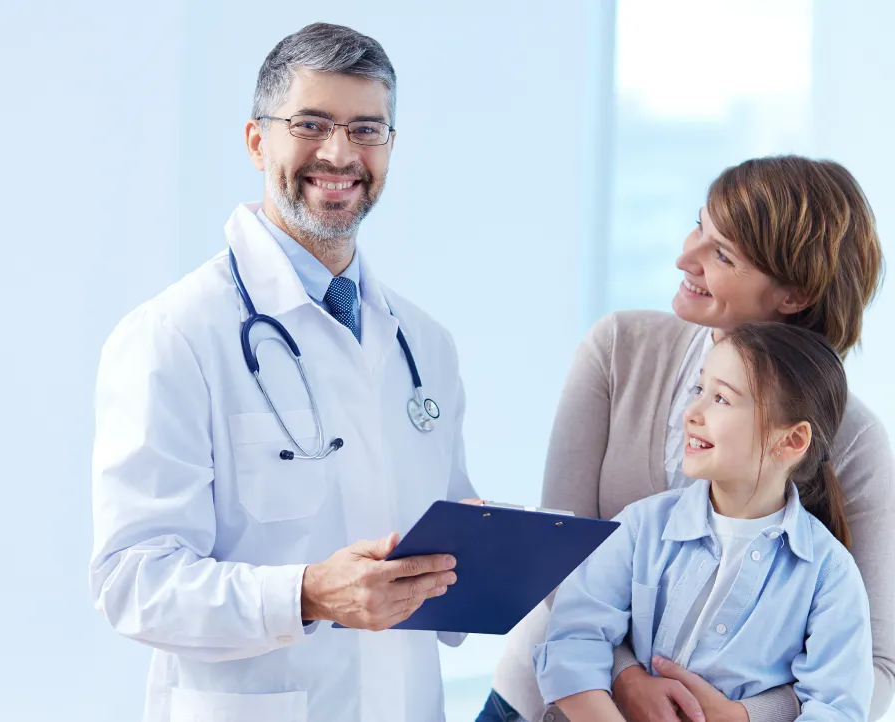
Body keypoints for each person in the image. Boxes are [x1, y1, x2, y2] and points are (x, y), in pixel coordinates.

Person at [89, 22, 478, 722]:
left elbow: (441, 553)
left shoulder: (425, 344)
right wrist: (306, 594)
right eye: (311, 123)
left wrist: (495, 556)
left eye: (367, 129)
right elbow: (133, 580)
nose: (340, 153)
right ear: (256, 140)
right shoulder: (176, 335)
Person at [484, 155, 894, 722]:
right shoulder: (618, 348)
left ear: (794, 294)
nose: (684, 257)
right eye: (699, 225)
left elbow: (869, 665)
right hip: (542, 704)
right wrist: (626, 679)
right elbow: (562, 561)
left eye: (721, 253)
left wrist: (741, 716)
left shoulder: (853, 443)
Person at [536, 322, 873, 722]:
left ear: (792, 441)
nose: (692, 413)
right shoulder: (641, 527)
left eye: (721, 399)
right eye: (699, 390)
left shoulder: (829, 574)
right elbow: (573, 638)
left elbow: (836, 708)